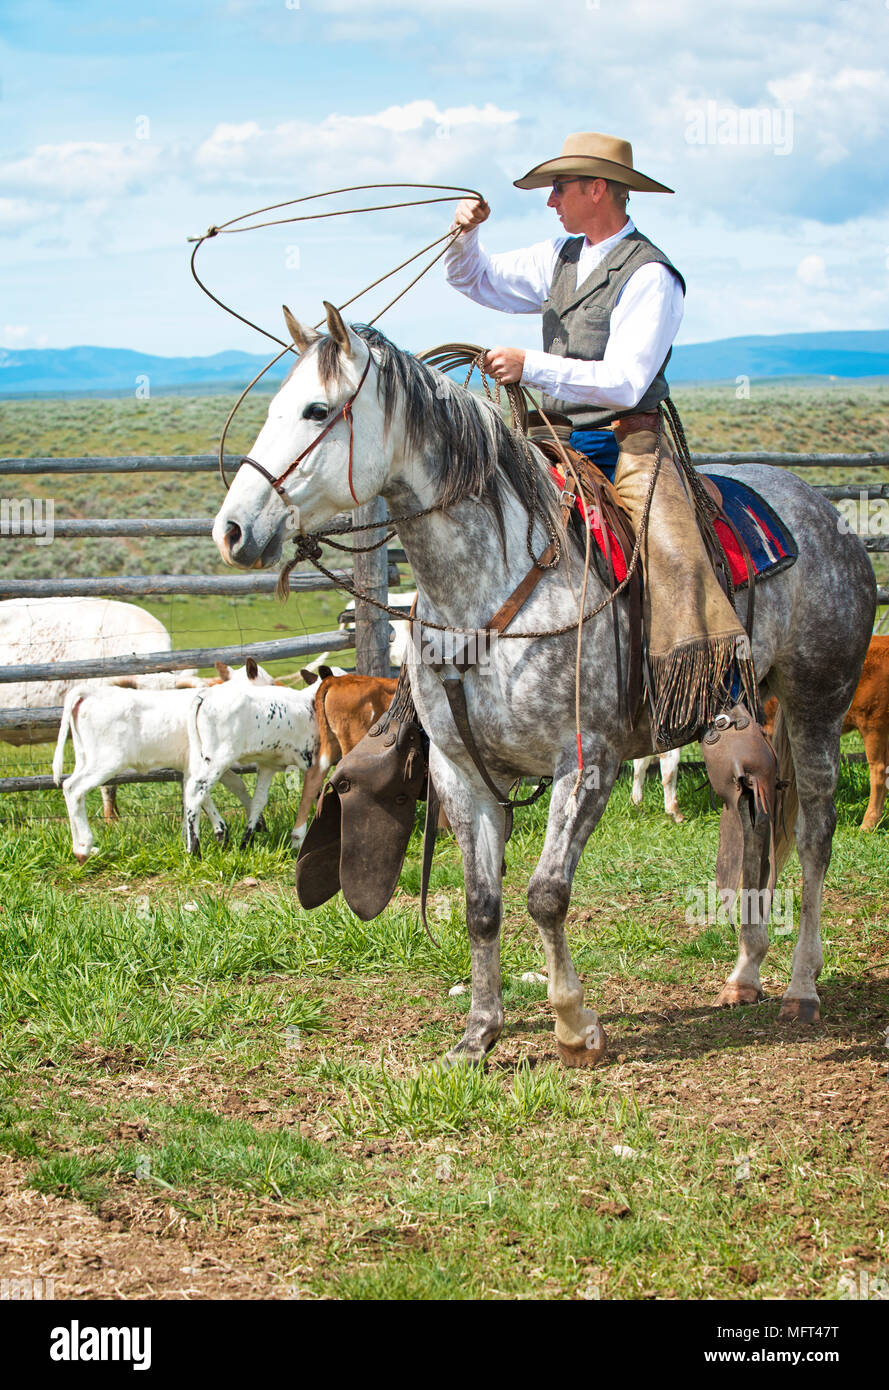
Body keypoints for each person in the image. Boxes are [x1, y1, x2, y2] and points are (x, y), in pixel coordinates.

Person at [445, 131, 761, 754]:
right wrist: (465, 233)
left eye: (559, 188)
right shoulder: (558, 256)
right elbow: (475, 280)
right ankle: (436, 693)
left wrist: (529, 365)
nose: (550, 201)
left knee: (671, 547)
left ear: (597, 190)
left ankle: (718, 702)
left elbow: (625, 381)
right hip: (551, 439)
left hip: (625, 442)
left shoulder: (651, 275)